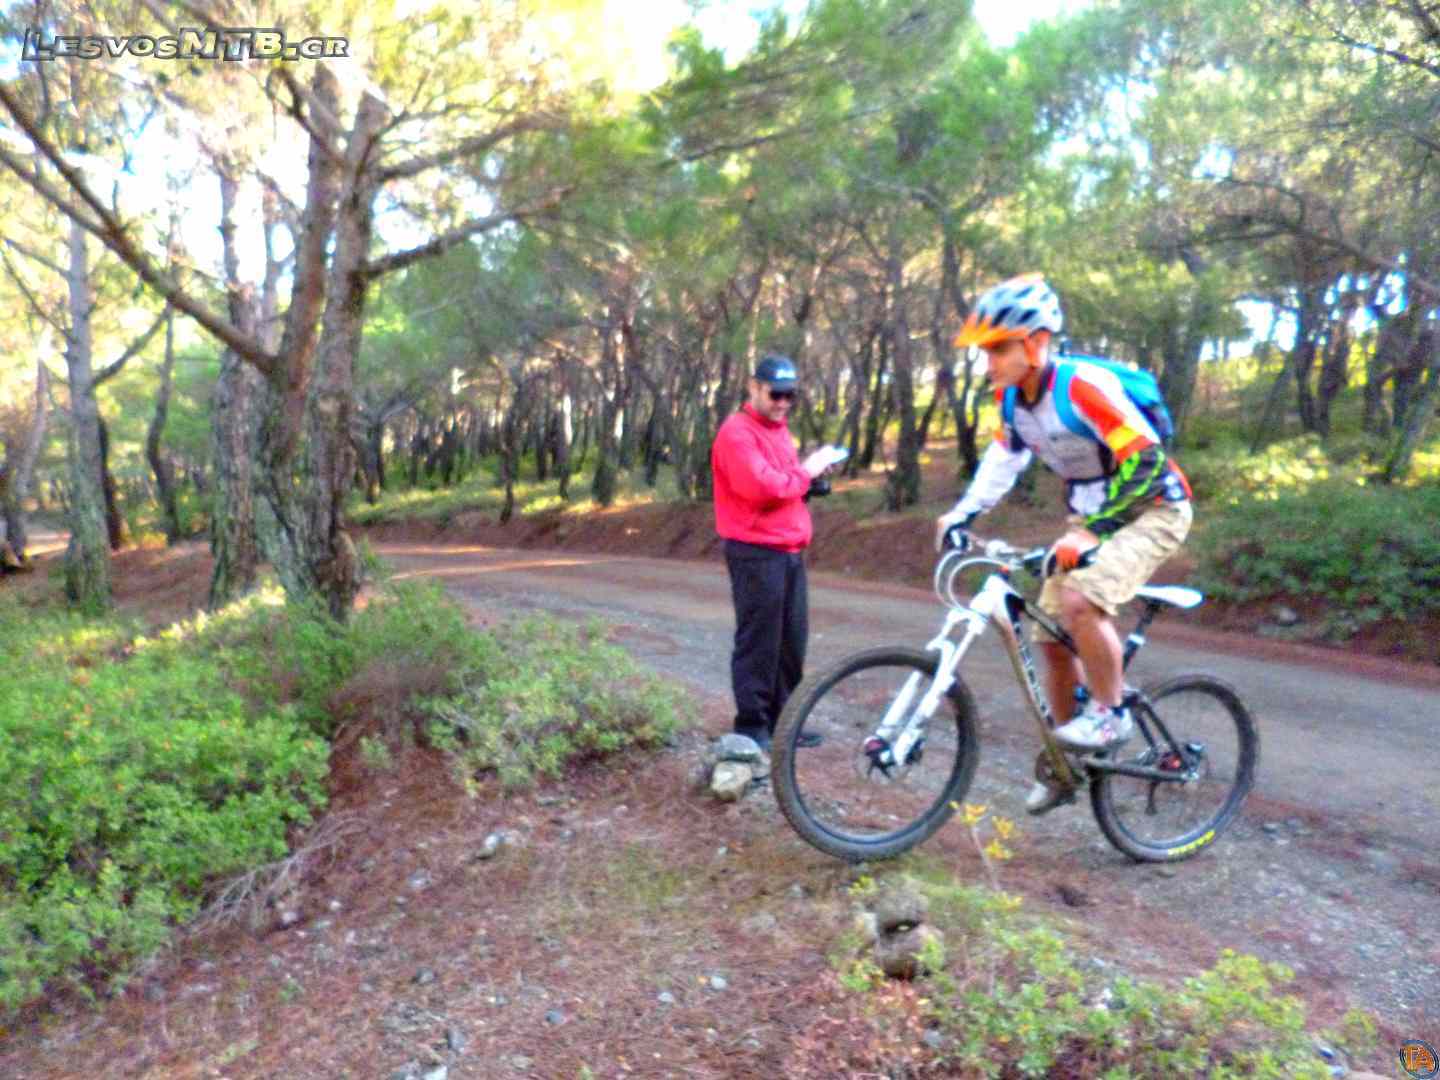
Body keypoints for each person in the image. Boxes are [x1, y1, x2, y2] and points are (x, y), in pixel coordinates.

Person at [935, 274, 1193, 814]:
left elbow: (1146, 461)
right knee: (1049, 637)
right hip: (1091, 517)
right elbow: (1003, 461)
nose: (989, 362)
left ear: (1036, 342)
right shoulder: (1012, 401)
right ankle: (1065, 761)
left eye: (998, 349)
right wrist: (962, 514)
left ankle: (1110, 713)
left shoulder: (1082, 387)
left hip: (1154, 509)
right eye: (986, 351)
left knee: (1080, 600)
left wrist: (1092, 531)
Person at [711, 354, 844, 751]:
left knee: (790, 641)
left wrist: (810, 479)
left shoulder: (778, 430)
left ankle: (784, 724)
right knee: (760, 641)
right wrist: (807, 471)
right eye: (776, 394)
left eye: (790, 395)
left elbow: (787, 483)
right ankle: (752, 727)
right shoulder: (737, 433)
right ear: (754, 387)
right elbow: (763, 488)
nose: (783, 403)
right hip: (755, 551)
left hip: (788, 549)